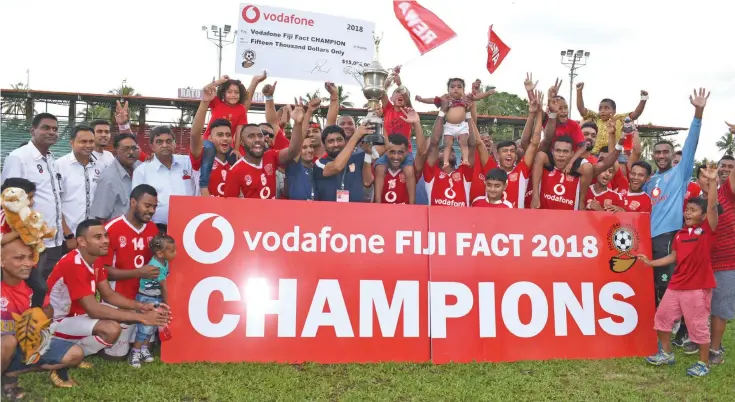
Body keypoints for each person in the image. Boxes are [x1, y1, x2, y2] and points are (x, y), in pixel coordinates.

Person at [47, 219, 170, 359]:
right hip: (55, 322)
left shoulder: (96, 259)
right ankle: (65, 351)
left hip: (75, 316)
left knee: (120, 317)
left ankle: (72, 350)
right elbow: (93, 309)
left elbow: (109, 294)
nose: (105, 240)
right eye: (98, 237)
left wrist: (142, 306)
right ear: (81, 241)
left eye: (106, 236)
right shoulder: (73, 263)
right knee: (111, 329)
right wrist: (142, 318)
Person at [640, 166, 719, 377]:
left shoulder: (706, 231)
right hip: (676, 285)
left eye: (693, 210)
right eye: (687, 210)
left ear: (702, 215)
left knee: (698, 327)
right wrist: (650, 263)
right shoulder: (680, 234)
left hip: (697, 288)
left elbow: (712, 207)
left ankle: (703, 363)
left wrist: (713, 183)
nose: (688, 213)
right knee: (662, 319)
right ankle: (666, 353)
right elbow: (673, 257)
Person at [644, 88, 707, 334]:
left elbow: (692, 144)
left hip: (668, 237)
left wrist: (698, 114)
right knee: (652, 285)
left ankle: (681, 331)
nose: (661, 156)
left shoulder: (679, 174)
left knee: (669, 284)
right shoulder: (650, 181)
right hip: (647, 238)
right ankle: (660, 325)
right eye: (657, 152)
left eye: (665, 152)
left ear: (673, 155)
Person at [1, 238, 85, 394]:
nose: (28, 263)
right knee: (8, 341)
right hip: (5, 343)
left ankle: (10, 373)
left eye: (30, 257)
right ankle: (8, 384)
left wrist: (37, 317)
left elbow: (48, 309)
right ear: (2, 261)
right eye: (19, 258)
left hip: (25, 345)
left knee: (75, 354)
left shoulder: (34, 286)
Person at [1, 113, 64, 308]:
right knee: (32, 288)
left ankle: (40, 328)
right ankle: (19, 329)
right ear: (33, 130)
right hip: (27, 242)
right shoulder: (19, 157)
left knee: (46, 289)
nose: (51, 132)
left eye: (54, 129)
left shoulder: (52, 159)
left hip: (52, 238)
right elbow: (9, 199)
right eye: (46, 128)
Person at [95, 184, 161, 360]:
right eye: (147, 205)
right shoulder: (111, 228)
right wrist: (139, 272)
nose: (151, 211)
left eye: (154, 206)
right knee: (116, 356)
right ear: (133, 202)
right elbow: (104, 272)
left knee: (146, 346)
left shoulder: (153, 229)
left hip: (143, 299)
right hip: (118, 299)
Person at [223, 82, 304, 199]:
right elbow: (229, 207)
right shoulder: (235, 171)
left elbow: (293, 150)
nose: (257, 139)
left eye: (259, 136)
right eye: (251, 136)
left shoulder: (271, 156)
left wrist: (297, 123)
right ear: (242, 142)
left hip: (272, 216)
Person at [470, 90, 542, 208]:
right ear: (497, 155)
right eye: (505, 151)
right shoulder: (491, 168)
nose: (509, 153)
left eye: (512, 151)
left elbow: (534, 143)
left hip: (515, 222)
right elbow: (478, 143)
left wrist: (536, 113)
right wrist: (469, 116)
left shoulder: (521, 170)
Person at [131, 126, 200, 232]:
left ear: (174, 143)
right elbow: (137, 203)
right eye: (159, 142)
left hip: (189, 226)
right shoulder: (142, 171)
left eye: (169, 141)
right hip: (157, 228)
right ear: (152, 146)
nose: (165, 145)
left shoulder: (188, 163)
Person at [704, 153, 735, 365]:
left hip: (726, 261)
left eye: (730, 167)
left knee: (719, 309)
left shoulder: (728, 193)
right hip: (703, 261)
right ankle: (699, 341)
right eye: (722, 165)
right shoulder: (703, 197)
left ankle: (714, 350)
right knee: (701, 306)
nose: (725, 169)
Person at [422, 98, 477, 207]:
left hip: (460, 222)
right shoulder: (431, 173)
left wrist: (467, 114)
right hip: (437, 222)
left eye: (453, 151)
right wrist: (442, 112)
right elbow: (434, 142)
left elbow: (472, 144)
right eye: (443, 151)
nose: (450, 152)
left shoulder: (464, 173)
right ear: (437, 156)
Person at [130, 233, 175, 368]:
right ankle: (135, 352)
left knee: (153, 324)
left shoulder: (164, 262)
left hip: (155, 297)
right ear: (160, 254)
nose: (175, 253)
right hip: (146, 298)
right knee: (145, 327)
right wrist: (167, 303)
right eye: (172, 251)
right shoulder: (157, 267)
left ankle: (144, 349)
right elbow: (164, 287)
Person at [56, 124, 102, 241]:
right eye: (83, 141)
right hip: (67, 236)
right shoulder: (59, 166)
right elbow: (55, 203)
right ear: (72, 143)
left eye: (91, 141)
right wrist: (67, 233)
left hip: (92, 236)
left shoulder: (100, 167)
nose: (88, 145)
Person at [202, 74, 265, 157]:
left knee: (234, 158)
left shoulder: (241, 109)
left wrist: (236, 149)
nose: (233, 95)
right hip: (209, 140)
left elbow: (239, 130)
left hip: (226, 143)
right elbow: (206, 89)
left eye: (236, 92)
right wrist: (219, 81)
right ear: (223, 93)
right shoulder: (217, 103)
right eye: (229, 92)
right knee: (209, 153)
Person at [576, 82, 649, 153]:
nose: (602, 111)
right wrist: (579, 91)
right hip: (595, 154)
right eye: (600, 109)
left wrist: (643, 99)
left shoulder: (619, 118)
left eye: (606, 108)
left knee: (622, 163)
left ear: (614, 111)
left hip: (614, 155)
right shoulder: (596, 118)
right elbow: (582, 110)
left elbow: (635, 114)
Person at [190, 84, 236, 197]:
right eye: (220, 135)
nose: (225, 138)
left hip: (232, 213)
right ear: (210, 138)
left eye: (228, 135)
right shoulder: (202, 155)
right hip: (206, 213)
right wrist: (205, 102)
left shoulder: (236, 159)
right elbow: (195, 135)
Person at [313, 122, 375, 202]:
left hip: (356, 212)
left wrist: (368, 154)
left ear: (345, 141)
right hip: (329, 213)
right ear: (324, 145)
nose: (336, 144)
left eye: (339, 140)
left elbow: (367, 182)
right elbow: (337, 167)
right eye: (331, 141)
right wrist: (356, 136)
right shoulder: (319, 164)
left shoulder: (357, 158)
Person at [374, 109, 426, 204]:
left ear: (407, 152)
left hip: (404, 217)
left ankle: (412, 205)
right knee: (379, 169)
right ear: (386, 151)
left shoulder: (411, 169)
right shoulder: (379, 167)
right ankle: (377, 205)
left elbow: (422, 151)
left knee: (410, 171)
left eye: (400, 152)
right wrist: (379, 118)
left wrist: (417, 124)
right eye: (392, 152)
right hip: (382, 216)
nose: (396, 156)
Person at [90, 134, 142, 222]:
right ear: (115, 151)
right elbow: (100, 217)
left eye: (134, 148)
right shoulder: (108, 177)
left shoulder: (141, 168)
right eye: (125, 149)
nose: (131, 152)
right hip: (118, 231)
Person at [0, 178, 36, 246]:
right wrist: (19, 231)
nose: (32, 202)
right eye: (29, 198)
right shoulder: (4, 216)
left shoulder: (27, 214)